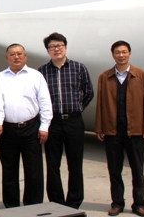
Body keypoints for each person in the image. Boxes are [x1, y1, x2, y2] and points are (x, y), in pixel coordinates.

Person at [95, 40, 144, 217]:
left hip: (134, 130)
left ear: (129, 53)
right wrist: (100, 127)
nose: (121, 55)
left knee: (137, 169)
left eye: (124, 52)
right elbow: (100, 104)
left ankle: (139, 204)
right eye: (117, 52)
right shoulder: (104, 77)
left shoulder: (141, 75)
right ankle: (117, 203)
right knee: (114, 169)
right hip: (112, 131)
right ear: (113, 55)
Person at [38, 32, 94, 209]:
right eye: (52, 47)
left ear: (65, 47)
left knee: (75, 163)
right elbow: (38, 98)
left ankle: (74, 202)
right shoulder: (42, 72)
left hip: (73, 122)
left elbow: (89, 92)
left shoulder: (79, 68)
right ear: (48, 50)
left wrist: (76, 108)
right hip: (53, 123)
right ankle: (56, 202)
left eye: (59, 45)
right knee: (53, 164)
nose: (56, 49)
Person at [0, 43, 53, 208]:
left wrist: (44, 126)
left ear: (25, 57)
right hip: (8, 130)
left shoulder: (36, 76)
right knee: (9, 170)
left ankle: (33, 205)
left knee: (34, 170)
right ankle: (11, 206)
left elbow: (45, 102)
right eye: (12, 54)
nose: (16, 57)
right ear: (7, 58)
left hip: (31, 129)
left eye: (19, 54)